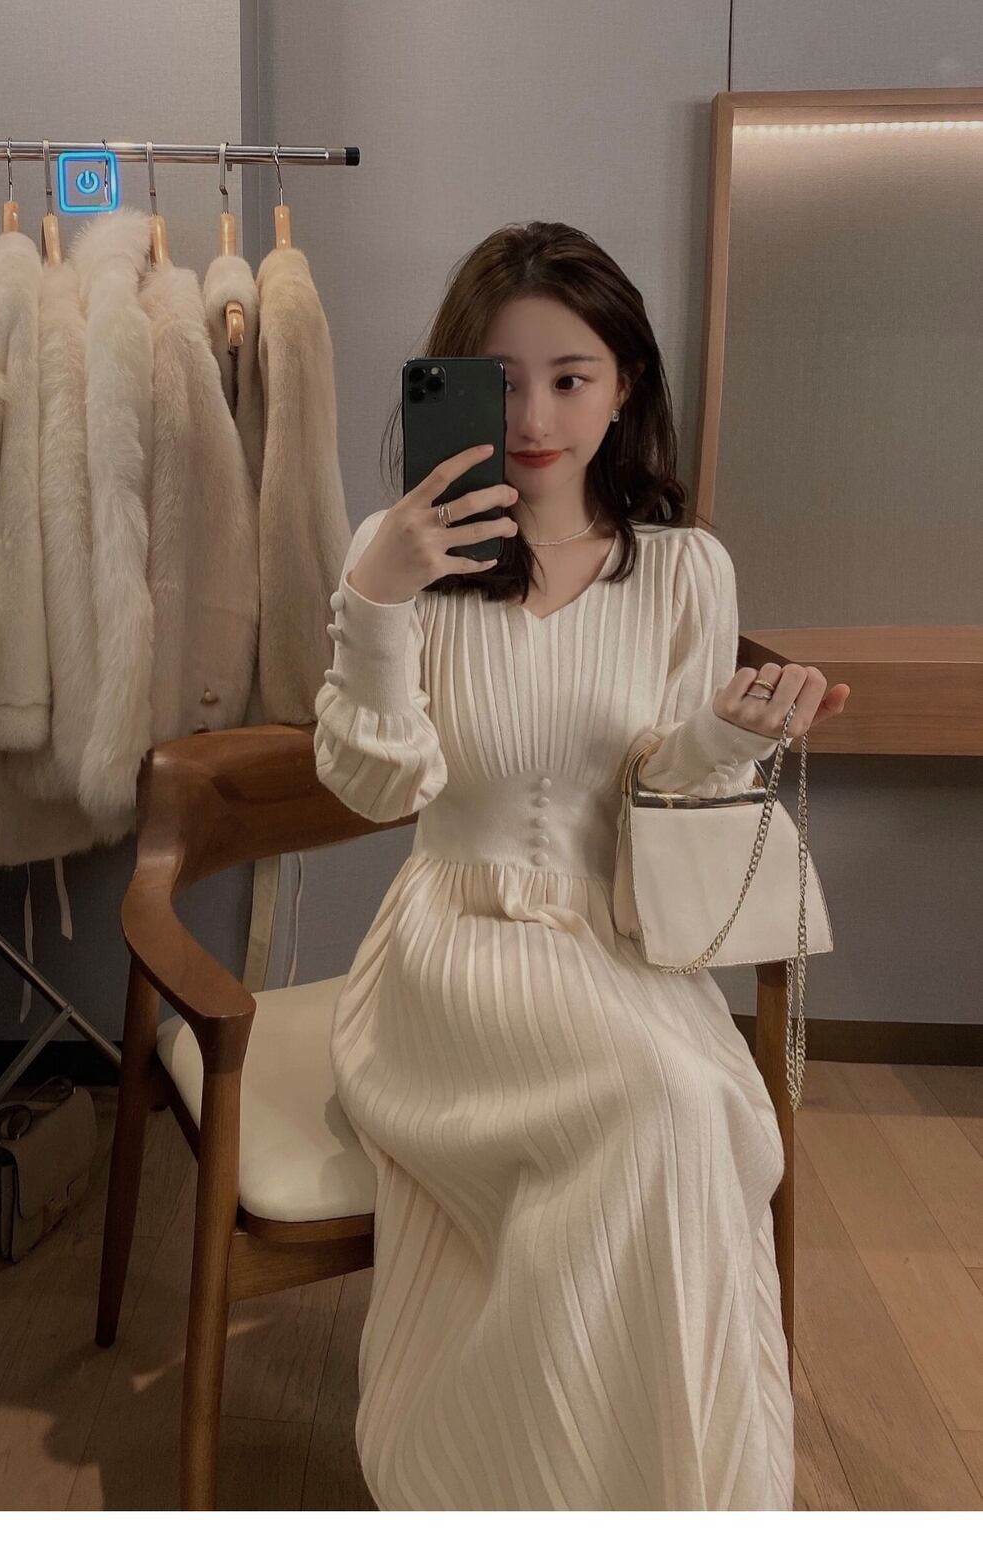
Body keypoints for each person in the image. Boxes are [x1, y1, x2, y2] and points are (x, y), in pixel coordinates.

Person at [313, 220, 849, 1510]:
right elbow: (377, 787)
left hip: (618, 946)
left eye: (572, 377)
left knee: (691, 1113)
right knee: (665, 1110)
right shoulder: (402, 554)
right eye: (500, 381)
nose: (536, 418)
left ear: (626, 389)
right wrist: (377, 602)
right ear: (452, 383)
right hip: (456, 950)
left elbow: (670, 796)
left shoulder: (685, 570)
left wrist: (728, 735)